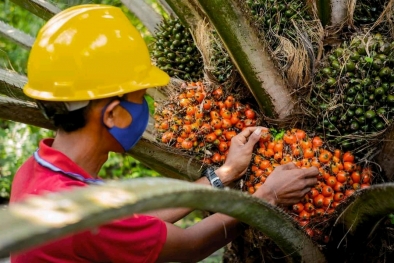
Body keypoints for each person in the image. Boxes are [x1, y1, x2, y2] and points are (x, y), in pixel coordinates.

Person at [10, 4, 319, 263]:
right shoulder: (78, 214)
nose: (146, 106)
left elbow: (134, 226)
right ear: (113, 114)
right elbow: (188, 245)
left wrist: (223, 174)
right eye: (140, 97)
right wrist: (269, 196)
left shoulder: (37, 173)